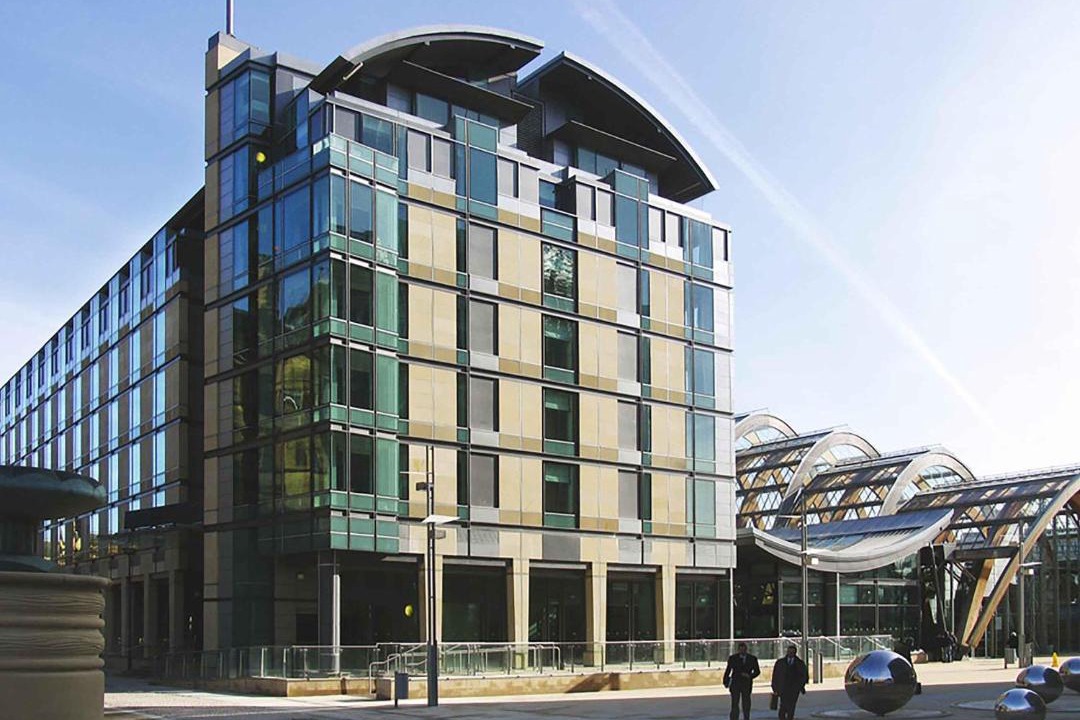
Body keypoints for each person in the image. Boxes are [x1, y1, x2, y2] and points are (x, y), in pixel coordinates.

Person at [724, 642, 761, 720]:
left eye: (744, 650)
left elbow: (757, 671)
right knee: (735, 703)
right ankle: (734, 718)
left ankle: (746, 717)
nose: (742, 651)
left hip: (746, 683)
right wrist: (726, 681)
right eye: (740, 650)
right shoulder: (733, 658)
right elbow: (728, 670)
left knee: (746, 703)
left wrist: (750, 676)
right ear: (738, 650)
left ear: (746, 650)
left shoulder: (752, 659)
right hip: (735, 683)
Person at [771, 645, 808, 720]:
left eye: (792, 652)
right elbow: (775, 675)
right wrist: (774, 687)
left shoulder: (799, 663)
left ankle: (790, 717)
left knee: (791, 707)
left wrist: (800, 686)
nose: (790, 653)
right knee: (783, 707)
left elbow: (804, 676)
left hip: (794, 689)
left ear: (795, 653)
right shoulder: (780, 663)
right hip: (783, 688)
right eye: (789, 652)